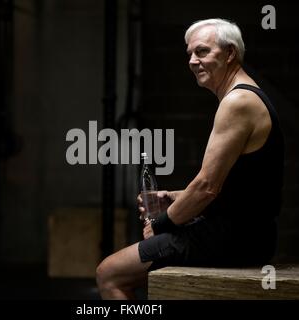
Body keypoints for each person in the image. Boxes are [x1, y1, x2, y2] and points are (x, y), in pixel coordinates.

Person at [96, 18, 284, 300]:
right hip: (248, 234)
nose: (193, 61)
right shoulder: (242, 96)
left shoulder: (238, 102)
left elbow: (207, 186)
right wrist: (174, 197)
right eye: (190, 54)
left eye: (202, 51)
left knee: (109, 273)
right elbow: (236, 187)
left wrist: (161, 225)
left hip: (235, 238)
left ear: (230, 53)